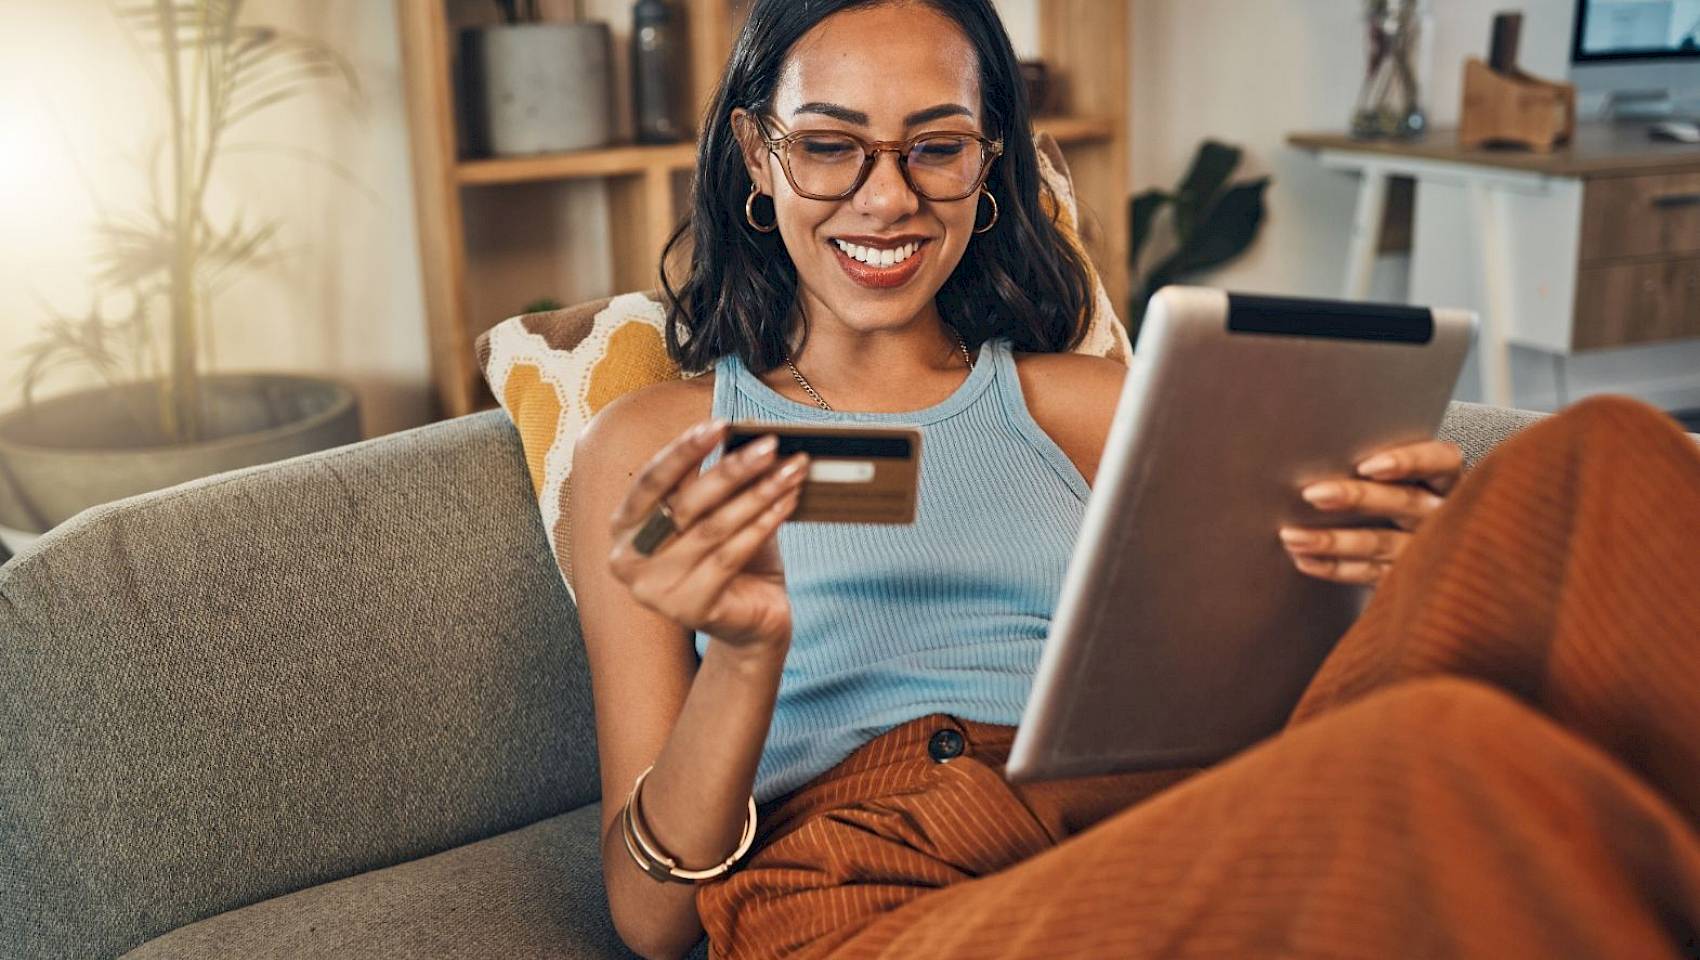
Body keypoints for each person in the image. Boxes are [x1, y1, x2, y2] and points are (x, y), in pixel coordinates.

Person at [568, 2, 1700, 958]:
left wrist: (1401, 566)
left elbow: (1252, 667)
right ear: (760, 158)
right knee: (1433, 757)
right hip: (864, 882)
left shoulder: (1094, 402)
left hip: (1134, 806)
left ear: (989, 159)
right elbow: (649, 917)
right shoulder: (658, 442)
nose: (885, 197)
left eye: (935, 144)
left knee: (1607, 458)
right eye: (828, 145)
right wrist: (749, 657)